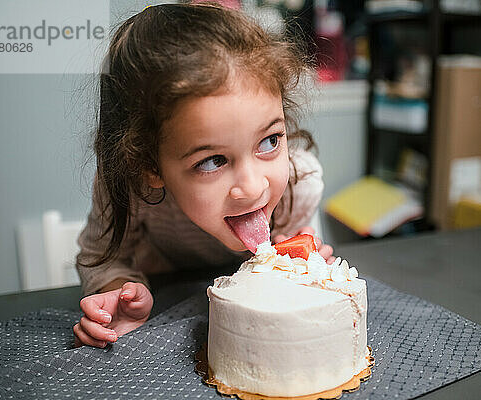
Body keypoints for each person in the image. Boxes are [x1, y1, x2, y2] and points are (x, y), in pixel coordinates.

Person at [73, 3, 334, 348]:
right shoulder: (127, 189)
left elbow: (288, 268)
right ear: (150, 166)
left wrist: (302, 270)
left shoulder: (297, 185)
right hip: (168, 293)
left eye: (270, 141)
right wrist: (119, 295)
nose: (254, 187)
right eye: (212, 161)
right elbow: (101, 257)